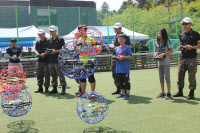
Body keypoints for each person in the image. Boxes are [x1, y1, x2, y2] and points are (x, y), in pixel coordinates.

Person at [173, 17, 200, 99]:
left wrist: (191, 47)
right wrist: (180, 47)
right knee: (180, 74)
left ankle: (191, 92)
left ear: (190, 24)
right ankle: (180, 91)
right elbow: (180, 44)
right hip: (182, 57)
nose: (184, 25)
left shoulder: (195, 34)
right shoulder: (182, 35)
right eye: (183, 24)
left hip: (191, 58)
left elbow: (199, 45)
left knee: (191, 76)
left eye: (185, 24)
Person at [76, 25, 96, 98]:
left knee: (91, 77)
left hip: (89, 61)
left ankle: (92, 93)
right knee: (82, 77)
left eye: (83, 30)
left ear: (86, 30)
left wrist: (86, 47)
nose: (82, 31)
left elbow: (94, 50)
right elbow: (77, 50)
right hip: (81, 61)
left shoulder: (91, 39)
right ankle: (83, 92)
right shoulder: (78, 40)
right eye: (80, 30)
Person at [111, 22, 132, 95]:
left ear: (120, 28)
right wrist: (113, 49)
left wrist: (120, 49)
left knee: (125, 77)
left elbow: (130, 46)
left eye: (117, 28)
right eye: (114, 28)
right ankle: (119, 89)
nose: (115, 30)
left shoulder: (125, 36)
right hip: (115, 58)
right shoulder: (115, 38)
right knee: (115, 74)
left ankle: (126, 91)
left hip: (124, 59)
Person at [47, 25, 67, 95]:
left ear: (56, 31)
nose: (51, 32)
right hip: (51, 60)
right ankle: (54, 88)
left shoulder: (60, 39)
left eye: (52, 31)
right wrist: (48, 51)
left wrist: (56, 51)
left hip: (58, 60)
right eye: (50, 31)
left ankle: (63, 88)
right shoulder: (49, 40)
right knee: (53, 75)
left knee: (60, 74)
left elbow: (63, 49)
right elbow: (47, 49)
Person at [154, 28, 173, 99]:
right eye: (158, 33)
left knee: (167, 78)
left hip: (166, 62)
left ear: (163, 34)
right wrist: (156, 54)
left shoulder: (167, 41)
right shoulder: (156, 42)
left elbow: (171, 51)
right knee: (161, 78)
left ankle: (168, 93)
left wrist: (164, 54)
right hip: (160, 63)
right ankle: (162, 92)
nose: (159, 35)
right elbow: (158, 51)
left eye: (160, 33)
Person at [113, 34, 133, 100]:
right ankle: (122, 93)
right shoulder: (117, 48)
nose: (120, 40)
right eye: (119, 39)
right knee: (120, 81)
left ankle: (127, 94)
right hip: (118, 68)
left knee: (126, 81)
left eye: (122, 39)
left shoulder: (127, 47)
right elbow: (116, 55)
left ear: (125, 40)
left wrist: (123, 57)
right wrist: (115, 57)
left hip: (125, 68)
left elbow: (131, 56)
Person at [34, 29, 50, 93]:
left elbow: (50, 50)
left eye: (41, 34)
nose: (40, 35)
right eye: (39, 34)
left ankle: (46, 88)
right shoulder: (38, 42)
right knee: (39, 75)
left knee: (46, 75)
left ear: (44, 34)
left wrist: (45, 54)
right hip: (39, 61)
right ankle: (40, 88)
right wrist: (37, 53)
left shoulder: (48, 41)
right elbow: (35, 49)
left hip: (46, 61)